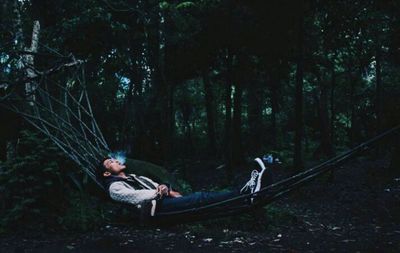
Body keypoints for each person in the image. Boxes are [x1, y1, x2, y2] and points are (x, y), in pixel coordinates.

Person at [98, 157, 271, 218]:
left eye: (114, 159)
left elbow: (160, 185)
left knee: (202, 199)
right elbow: (134, 197)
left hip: (164, 202)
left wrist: (167, 189)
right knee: (200, 198)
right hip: (155, 210)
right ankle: (246, 194)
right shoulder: (114, 187)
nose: (116, 161)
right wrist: (159, 192)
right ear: (106, 173)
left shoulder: (136, 177)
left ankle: (246, 195)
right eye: (110, 162)